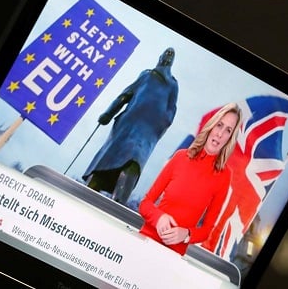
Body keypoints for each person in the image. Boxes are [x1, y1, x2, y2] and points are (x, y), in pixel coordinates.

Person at [138, 102, 243, 255]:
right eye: (219, 125)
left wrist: (186, 234)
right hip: (145, 241)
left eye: (228, 130)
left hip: (173, 256)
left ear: (230, 138)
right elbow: (145, 204)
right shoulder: (181, 157)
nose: (220, 134)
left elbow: (207, 230)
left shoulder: (224, 176)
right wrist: (159, 218)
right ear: (212, 126)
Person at [83, 47, 179, 204]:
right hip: (129, 129)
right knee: (109, 165)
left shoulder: (170, 84)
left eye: (170, 55)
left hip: (144, 134)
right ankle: (90, 196)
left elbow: (170, 112)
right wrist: (108, 114)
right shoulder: (148, 75)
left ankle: (113, 204)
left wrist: (157, 127)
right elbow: (126, 95)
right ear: (161, 57)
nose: (168, 56)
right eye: (166, 54)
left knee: (128, 167)